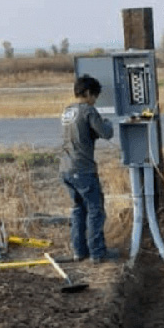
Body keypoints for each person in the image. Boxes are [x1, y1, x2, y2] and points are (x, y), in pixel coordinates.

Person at [59, 75, 118, 263]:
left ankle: (79, 251)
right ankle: (97, 253)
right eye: (95, 96)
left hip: (66, 168)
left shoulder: (68, 111)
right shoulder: (88, 111)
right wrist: (107, 122)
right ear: (87, 93)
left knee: (78, 210)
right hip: (83, 169)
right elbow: (106, 133)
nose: (95, 100)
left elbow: (80, 134)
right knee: (95, 210)